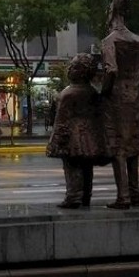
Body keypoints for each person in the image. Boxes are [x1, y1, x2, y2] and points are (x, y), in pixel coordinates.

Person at [100, 0, 139, 209]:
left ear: (112, 11)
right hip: (136, 96)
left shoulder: (110, 41)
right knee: (133, 145)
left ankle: (123, 196)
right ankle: (135, 193)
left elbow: (111, 70)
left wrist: (103, 93)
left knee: (119, 146)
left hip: (118, 97)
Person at [46, 53, 109, 208]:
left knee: (71, 166)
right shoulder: (92, 91)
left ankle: (73, 197)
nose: (69, 69)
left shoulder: (67, 93)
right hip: (90, 135)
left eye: (73, 67)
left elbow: (61, 119)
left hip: (72, 135)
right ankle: (86, 195)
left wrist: (56, 141)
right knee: (87, 167)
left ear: (79, 71)